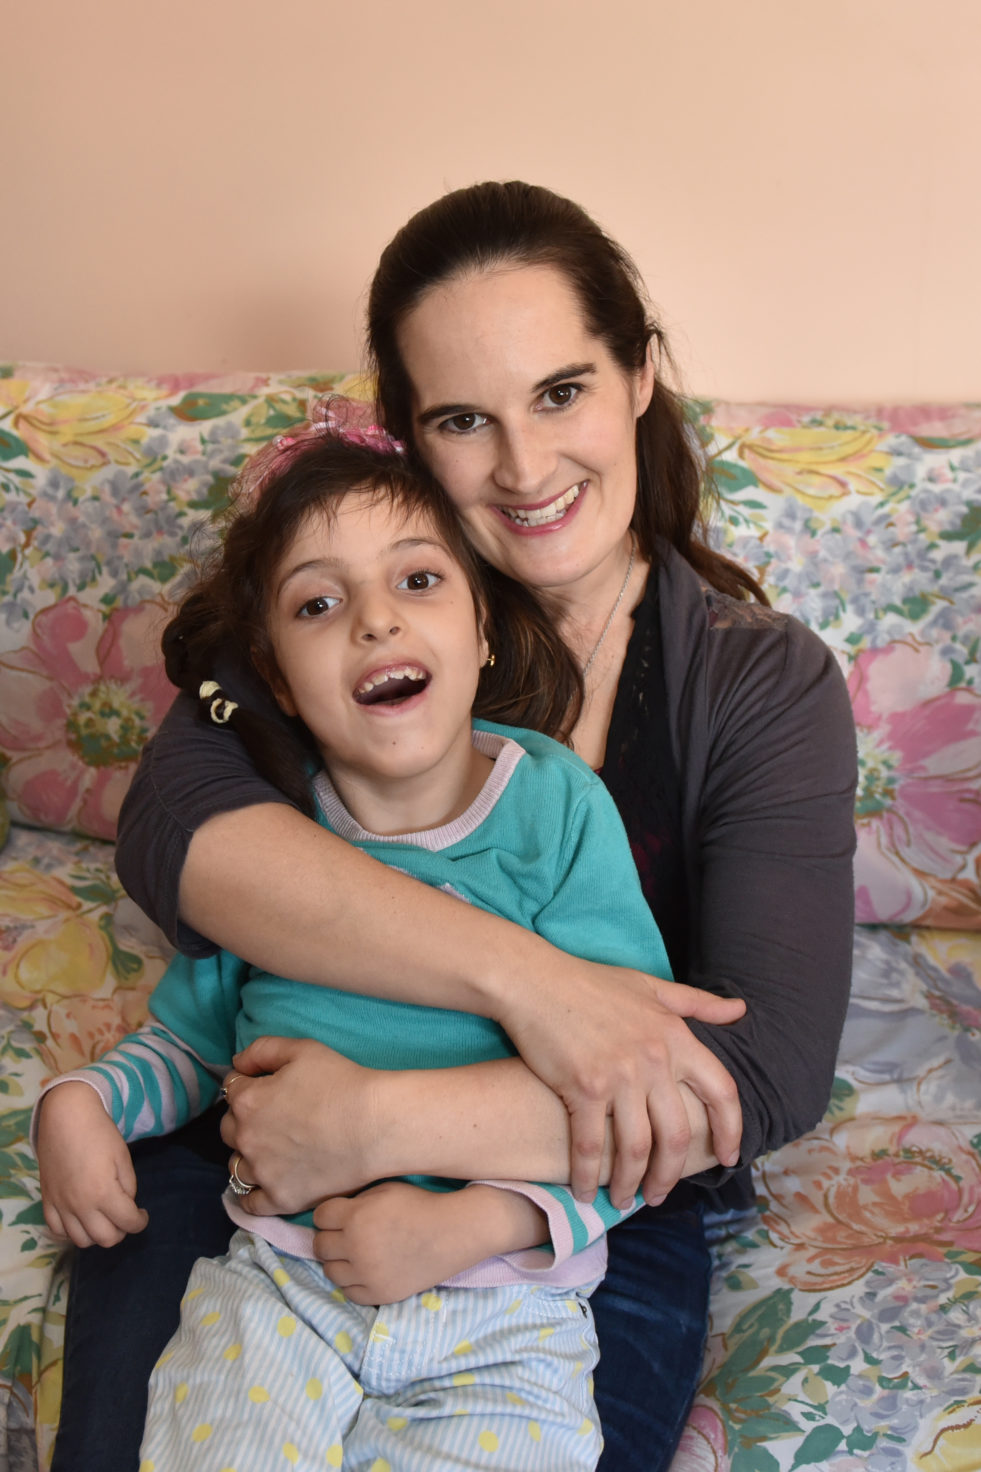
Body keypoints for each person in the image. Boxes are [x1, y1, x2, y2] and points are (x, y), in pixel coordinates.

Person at [52, 181, 857, 1472]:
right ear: (406, 436)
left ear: (639, 375)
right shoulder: (360, 606)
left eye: (560, 392)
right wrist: (534, 986)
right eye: (463, 420)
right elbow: (178, 832)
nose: (526, 469)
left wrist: (380, 1125)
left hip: (562, 1207)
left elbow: (757, 1076)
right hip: (264, 1158)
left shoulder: (759, 684)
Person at [35, 404, 716, 1470]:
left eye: (418, 580)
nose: (374, 622)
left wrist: (474, 1224)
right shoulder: (273, 839)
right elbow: (191, 1039)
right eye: (320, 602)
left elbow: (634, 1097)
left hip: (503, 1321)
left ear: (485, 625)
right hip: (279, 1294)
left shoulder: (555, 810)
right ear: (278, 674)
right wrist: (80, 1103)